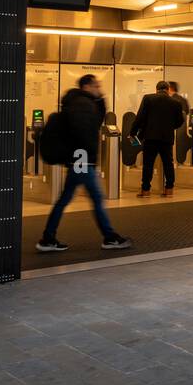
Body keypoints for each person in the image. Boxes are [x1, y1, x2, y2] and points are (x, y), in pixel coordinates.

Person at [36, 75, 132, 252]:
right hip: (82, 160)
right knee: (96, 198)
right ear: (87, 86)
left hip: (79, 160)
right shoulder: (82, 104)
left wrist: (100, 100)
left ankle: (48, 238)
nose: (99, 88)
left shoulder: (81, 103)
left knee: (65, 200)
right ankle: (109, 237)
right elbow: (84, 131)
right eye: (96, 85)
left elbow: (94, 122)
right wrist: (88, 158)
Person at [131, 80, 186, 197]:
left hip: (150, 137)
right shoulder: (176, 103)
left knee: (148, 164)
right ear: (167, 89)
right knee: (168, 163)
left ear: (156, 89)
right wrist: (170, 127)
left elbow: (140, 117)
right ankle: (169, 189)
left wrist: (133, 133)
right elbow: (180, 121)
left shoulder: (148, 99)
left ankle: (145, 190)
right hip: (167, 138)